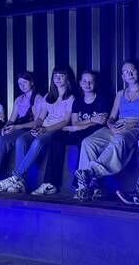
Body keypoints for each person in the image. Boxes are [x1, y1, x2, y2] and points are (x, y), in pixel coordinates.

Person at [74, 60, 139, 205]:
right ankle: (84, 188)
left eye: (132, 70)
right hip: (118, 125)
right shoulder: (120, 94)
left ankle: (91, 172)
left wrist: (133, 124)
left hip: (136, 127)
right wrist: (111, 126)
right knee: (88, 141)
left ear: (138, 72)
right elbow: (111, 117)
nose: (129, 74)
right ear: (122, 76)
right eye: (125, 72)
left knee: (119, 140)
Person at [0, 68, 74, 194]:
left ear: (67, 78)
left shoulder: (70, 97)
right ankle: (20, 183)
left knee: (37, 142)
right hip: (43, 127)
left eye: (61, 76)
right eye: (55, 76)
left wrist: (45, 129)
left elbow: (65, 121)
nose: (58, 79)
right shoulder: (49, 96)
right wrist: (37, 127)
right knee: (21, 140)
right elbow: (41, 118)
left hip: (56, 130)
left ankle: (16, 177)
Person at [40, 70, 111, 198]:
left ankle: (80, 184)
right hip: (79, 130)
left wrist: (78, 126)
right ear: (80, 83)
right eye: (84, 81)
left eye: (90, 82)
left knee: (83, 141)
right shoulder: (78, 101)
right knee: (57, 137)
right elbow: (75, 122)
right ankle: (51, 183)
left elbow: (100, 122)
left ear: (95, 83)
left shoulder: (102, 99)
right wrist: (90, 120)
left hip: (94, 132)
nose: (87, 84)